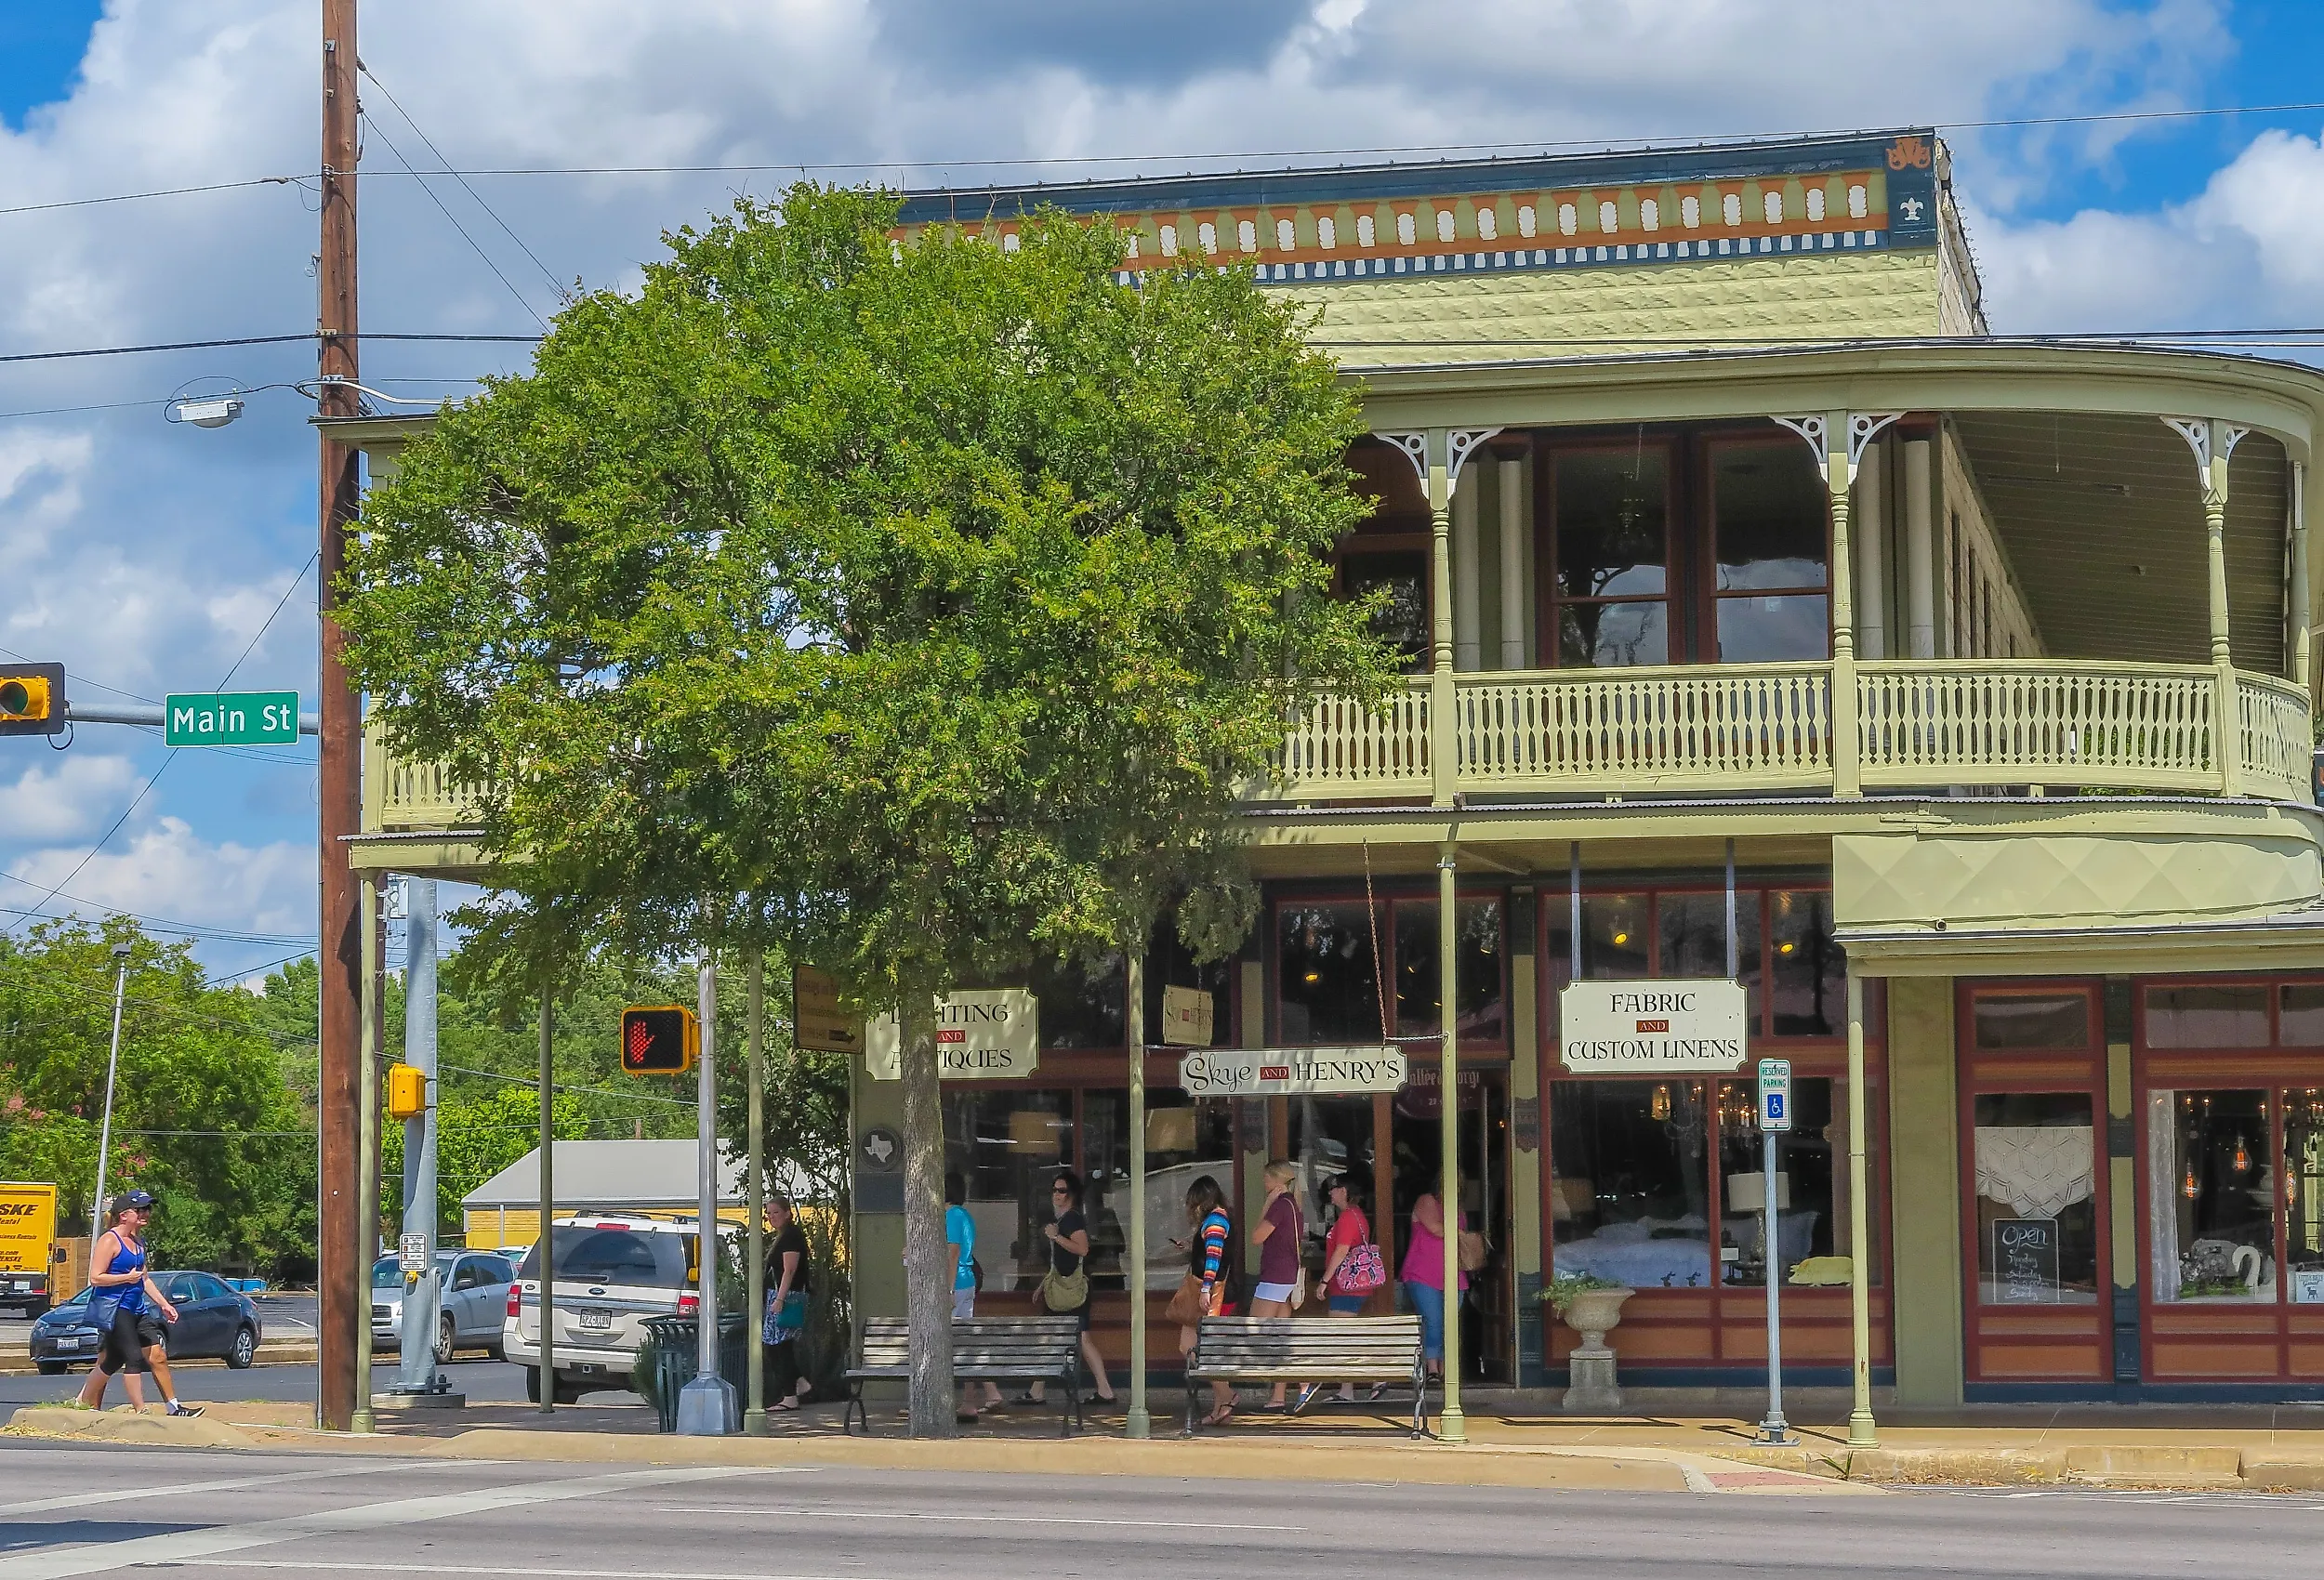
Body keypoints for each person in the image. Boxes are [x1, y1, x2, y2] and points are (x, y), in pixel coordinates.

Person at [75, 1190, 201, 1417]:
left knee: (155, 1355)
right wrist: (126, 1278)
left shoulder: (138, 1242)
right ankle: (135, 1409)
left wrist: (164, 1304)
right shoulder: (109, 1240)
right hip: (115, 1308)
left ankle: (173, 1407)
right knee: (124, 1358)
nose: (146, 1214)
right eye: (141, 1210)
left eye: (148, 1209)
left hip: (137, 1309)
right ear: (124, 1215)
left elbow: (144, 1278)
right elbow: (95, 1277)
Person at [1026, 1168, 1115, 1405]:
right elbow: (1060, 1260)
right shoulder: (1064, 1219)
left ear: (1071, 1194)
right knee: (1056, 1335)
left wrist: (1056, 1237)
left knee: (1080, 1338)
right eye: (1054, 1189)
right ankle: (1037, 1390)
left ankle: (1104, 1389)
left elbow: (1082, 1249)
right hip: (1062, 1288)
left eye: (1061, 1190)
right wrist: (1044, 1283)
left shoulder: (1072, 1219)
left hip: (1072, 1290)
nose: (1056, 1194)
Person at [1173, 1174, 1236, 1427]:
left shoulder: (1216, 1219)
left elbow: (1214, 1257)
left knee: (1197, 1350)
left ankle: (1227, 1397)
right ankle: (1223, 1401)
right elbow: (1212, 1249)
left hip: (1212, 1295)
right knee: (1195, 1349)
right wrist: (1191, 1245)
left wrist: (1206, 1288)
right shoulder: (1218, 1218)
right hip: (1213, 1293)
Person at [1314, 1174, 1377, 1405]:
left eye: (1335, 1188)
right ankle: (1347, 1388)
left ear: (1345, 1191)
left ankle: (1377, 1375)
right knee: (1343, 1335)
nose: (1331, 1192)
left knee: (1341, 1336)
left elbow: (1341, 1251)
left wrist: (1323, 1280)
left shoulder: (1349, 1217)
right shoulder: (1352, 1216)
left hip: (1347, 1287)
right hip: (1347, 1286)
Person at [1399, 1184, 1469, 1389]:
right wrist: (1459, 1232)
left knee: (1450, 1323)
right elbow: (1436, 1229)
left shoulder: (1458, 1206)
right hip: (1423, 1272)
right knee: (1433, 1320)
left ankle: (1448, 1370)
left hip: (1454, 1273)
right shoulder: (1426, 1200)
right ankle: (1432, 1370)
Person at [945, 1171, 1001, 1421]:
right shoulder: (964, 1215)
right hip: (967, 1282)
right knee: (965, 1340)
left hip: (955, 1284)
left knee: (958, 1343)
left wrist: (947, 1289)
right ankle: (972, 1400)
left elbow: (952, 1253)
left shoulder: (951, 1215)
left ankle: (988, 1392)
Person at [1248, 1160, 1304, 1409]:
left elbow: (1256, 1237)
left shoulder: (1279, 1205)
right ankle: (1278, 1396)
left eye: (1266, 1179)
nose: (1264, 1183)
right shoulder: (1294, 1205)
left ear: (1277, 1180)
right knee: (1280, 1336)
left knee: (1256, 1332)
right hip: (1288, 1277)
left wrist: (1267, 1203)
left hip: (1274, 1277)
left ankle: (1303, 1379)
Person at [760, 1194, 812, 1411]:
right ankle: (799, 1382)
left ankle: (790, 1395)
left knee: (775, 1345)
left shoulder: (791, 1237)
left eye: (777, 1212)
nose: (772, 1217)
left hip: (785, 1296)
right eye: (769, 1213)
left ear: (788, 1213)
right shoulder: (784, 1235)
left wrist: (780, 1298)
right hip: (781, 1295)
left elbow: (789, 1269)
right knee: (783, 1345)